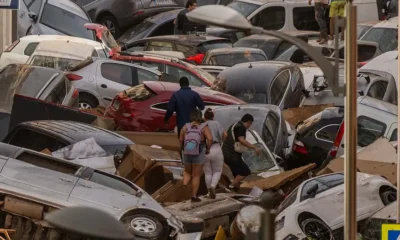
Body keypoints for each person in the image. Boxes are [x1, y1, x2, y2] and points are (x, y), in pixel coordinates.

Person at [180, 109, 213, 202]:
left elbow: (180, 140)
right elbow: (210, 139)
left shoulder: (185, 127)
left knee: (187, 172)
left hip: (187, 152)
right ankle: (194, 196)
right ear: (200, 116)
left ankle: (184, 186)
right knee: (196, 175)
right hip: (198, 152)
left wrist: (182, 148)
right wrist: (208, 149)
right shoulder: (204, 127)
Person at [222, 114, 261, 191]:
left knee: (237, 174)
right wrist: (254, 147)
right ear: (249, 122)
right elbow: (241, 140)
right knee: (245, 171)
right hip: (232, 155)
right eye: (250, 124)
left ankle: (236, 189)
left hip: (226, 154)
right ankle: (231, 186)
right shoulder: (240, 128)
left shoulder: (235, 125)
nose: (250, 126)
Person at [203, 108, 227, 199]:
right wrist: (222, 142)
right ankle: (213, 186)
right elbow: (225, 134)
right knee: (217, 171)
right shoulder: (217, 124)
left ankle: (209, 192)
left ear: (204, 117)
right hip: (216, 147)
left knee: (207, 172)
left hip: (205, 149)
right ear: (213, 116)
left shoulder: (202, 125)